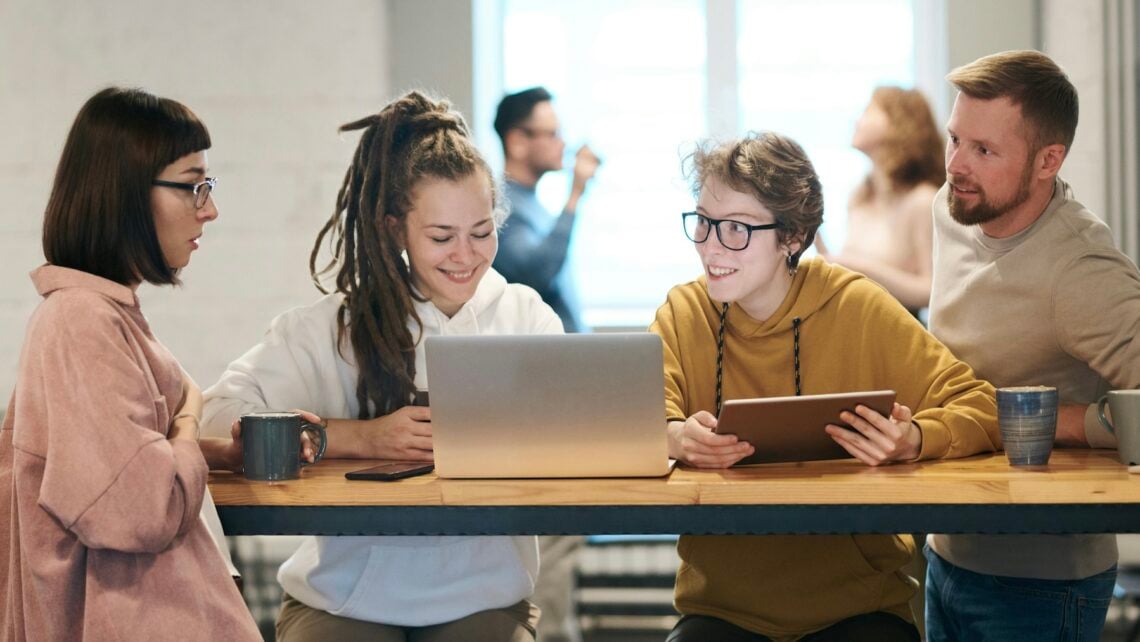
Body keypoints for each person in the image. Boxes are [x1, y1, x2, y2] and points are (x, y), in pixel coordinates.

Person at [201, 91, 561, 642]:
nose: (464, 256)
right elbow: (217, 415)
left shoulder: (526, 317)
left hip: (483, 596)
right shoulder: (335, 327)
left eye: (482, 233)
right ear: (395, 229)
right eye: (441, 237)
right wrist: (360, 438)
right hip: (344, 598)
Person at [651, 131, 1000, 642]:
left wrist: (916, 439)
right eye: (702, 223)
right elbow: (633, 422)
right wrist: (673, 436)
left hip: (859, 608)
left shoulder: (857, 306)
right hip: (721, 611)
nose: (710, 247)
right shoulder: (683, 313)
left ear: (792, 237)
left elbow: (982, 404)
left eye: (736, 229)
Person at [0, 87, 260, 640]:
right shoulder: (81, 322)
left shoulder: (97, 313)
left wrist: (216, 454)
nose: (209, 209)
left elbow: (102, 467)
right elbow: (140, 507)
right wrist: (190, 415)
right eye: (193, 186)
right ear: (125, 194)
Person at [924, 49, 1140, 642]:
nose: (956, 167)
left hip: (1042, 584)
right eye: (954, 140)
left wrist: (1062, 421)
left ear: (1050, 160)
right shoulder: (954, 208)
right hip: (945, 552)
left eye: (984, 150)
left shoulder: (1081, 268)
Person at [817, 86, 944, 314]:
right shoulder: (860, 196)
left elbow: (933, 291)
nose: (857, 121)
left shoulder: (923, 201)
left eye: (868, 111)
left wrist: (861, 269)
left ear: (900, 124)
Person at [492, 86, 600, 333]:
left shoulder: (531, 203)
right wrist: (574, 195)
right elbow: (535, 273)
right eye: (552, 134)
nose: (562, 143)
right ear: (517, 142)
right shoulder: (501, 207)